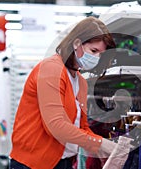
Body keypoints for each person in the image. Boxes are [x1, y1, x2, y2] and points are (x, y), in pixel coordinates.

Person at [9, 16, 117, 169]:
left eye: (100, 54)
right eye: (93, 51)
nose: (96, 58)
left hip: (63, 162)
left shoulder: (81, 82)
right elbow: (55, 125)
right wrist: (100, 143)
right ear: (77, 44)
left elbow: (82, 127)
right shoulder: (51, 69)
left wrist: (98, 148)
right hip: (33, 163)